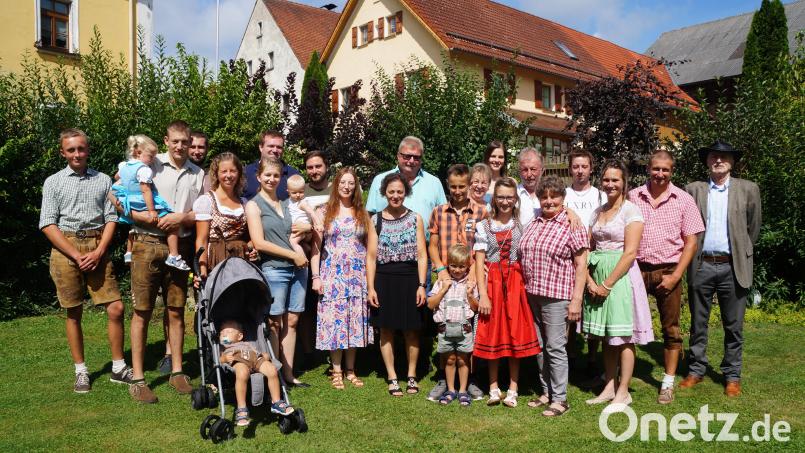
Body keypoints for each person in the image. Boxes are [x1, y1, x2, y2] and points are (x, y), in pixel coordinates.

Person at [39, 128, 132, 393]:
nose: (77, 154)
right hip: (65, 249)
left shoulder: (103, 180)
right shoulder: (53, 182)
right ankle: (81, 371)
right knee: (74, 311)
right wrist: (76, 255)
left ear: (88, 150)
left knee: (116, 308)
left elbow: (111, 218)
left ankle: (118, 367)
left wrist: (99, 251)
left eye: (81, 148)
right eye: (71, 150)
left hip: (97, 245)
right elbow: (47, 223)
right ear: (63, 153)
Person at [127, 120, 205, 403]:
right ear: (166, 141)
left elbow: (201, 212)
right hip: (147, 242)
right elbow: (120, 196)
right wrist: (144, 218)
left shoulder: (198, 173)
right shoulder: (150, 164)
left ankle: (177, 372)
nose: (180, 146)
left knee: (176, 309)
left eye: (185, 142)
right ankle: (138, 379)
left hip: (179, 247)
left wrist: (180, 218)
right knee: (142, 311)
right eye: (175, 141)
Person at [681, 141, 761, 397]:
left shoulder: (748, 189)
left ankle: (732, 376)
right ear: (707, 161)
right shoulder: (693, 189)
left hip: (733, 266)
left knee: (734, 326)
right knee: (698, 322)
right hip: (701, 264)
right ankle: (696, 370)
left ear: (732, 162)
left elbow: (753, 229)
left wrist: (741, 250)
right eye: (714, 156)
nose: (718, 160)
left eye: (724, 157)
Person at [628, 149, 704, 404]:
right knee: (625, 325)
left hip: (669, 270)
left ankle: (668, 383)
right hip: (637, 269)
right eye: (656, 168)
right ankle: (620, 376)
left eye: (665, 170)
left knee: (671, 329)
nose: (660, 174)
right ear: (648, 169)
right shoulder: (633, 196)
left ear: (672, 171)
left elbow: (691, 242)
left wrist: (676, 276)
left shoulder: (684, 200)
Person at [583, 160, 654, 412]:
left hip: (621, 278)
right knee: (607, 335)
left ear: (624, 183)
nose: (610, 184)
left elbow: (630, 252)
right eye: (606, 179)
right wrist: (590, 280)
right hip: (598, 275)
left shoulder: (631, 211)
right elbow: (588, 247)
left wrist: (607, 284)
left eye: (615, 180)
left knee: (623, 336)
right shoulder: (597, 212)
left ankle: (624, 391)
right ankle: (609, 386)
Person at [520, 176, 589, 417]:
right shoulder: (534, 221)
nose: (549, 201)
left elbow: (581, 265)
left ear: (563, 198)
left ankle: (560, 399)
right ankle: (546, 392)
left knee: (555, 347)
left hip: (557, 296)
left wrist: (576, 300)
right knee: (539, 346)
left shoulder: (572, 224)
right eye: (544, 196)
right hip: (533, 294)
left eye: (554, 196)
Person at [474, 177, 541, 408]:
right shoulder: (483, 226)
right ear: (494, 199)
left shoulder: (522, 225)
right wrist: (483, 294)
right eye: (501, 197)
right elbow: (479, 262)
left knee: (514, 333)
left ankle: (513, 388)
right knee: (493, 332)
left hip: (515, 284)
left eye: (509, 197)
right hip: (492, 283)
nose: (505, 201)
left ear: (515, 199)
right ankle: (493, 387)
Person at [245, 158, 309, 388]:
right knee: (274, 323)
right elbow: (259, 242)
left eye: (276, 175)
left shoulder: (286, 203)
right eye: (267, 175)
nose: (272, 179)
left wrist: (307, 227)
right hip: (274, 269)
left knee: (292, 321)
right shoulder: (254, 205)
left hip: (298, 270)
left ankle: (289, 374)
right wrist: (293, 255)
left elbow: (299, 228)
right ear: (258, 177)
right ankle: (275, 375)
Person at [311, 167, 377, 390]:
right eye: (343, 183)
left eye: (351, 183)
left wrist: (370, 281)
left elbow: (370, 249)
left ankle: (350, 370)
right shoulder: (324, 211)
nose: (347, 187)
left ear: (356, 186)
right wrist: (316, 276)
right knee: (334, 321)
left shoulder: (362, 213)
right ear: (336, 185)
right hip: (332, 275)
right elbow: (316, 248)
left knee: (353, 321)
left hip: (356, 276)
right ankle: (336, 370)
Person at [427, 163, 487, 401]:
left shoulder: (481, 212)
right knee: (445, 328)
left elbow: (484, 248)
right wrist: (441, 270)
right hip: (446, 277)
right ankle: (445, 378)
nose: (458, 191)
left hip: (470, 279)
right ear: (448, 185)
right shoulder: (439, 212)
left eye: (462, 186)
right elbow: (433, 245)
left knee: (467, 330)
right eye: (453, 186)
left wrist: (475, 275)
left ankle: (469, 380)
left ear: (469, 185)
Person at [369, 173, 428, 397]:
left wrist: (421, 285)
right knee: (386, 330)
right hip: (384, 278)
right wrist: (371, 287)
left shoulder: (416, 219)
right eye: (391, 191)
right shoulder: (375, 220)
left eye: (400, 192)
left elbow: (422, 255)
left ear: (406, 193)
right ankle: (392, 377)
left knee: (412, 330)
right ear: (385, 193)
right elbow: (371, 257)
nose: (395, 196)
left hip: (410, 278)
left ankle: (411, 375)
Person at [112, 134, 190, 271]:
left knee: (133, 226)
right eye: (151, 156)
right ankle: (174, 255)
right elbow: (146, 190)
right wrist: (152, 210)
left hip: (127, 199)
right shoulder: (143, 169)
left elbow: (117, 177)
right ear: (138, 153)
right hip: (141, 201)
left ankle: (128, 252)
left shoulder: (124, 165)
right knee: (172, 224)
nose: (153, 159)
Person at [563, 149, 606, 374]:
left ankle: (592, 357)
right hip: (569, 258)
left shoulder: (600, 196)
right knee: (569, 308)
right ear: (570, 169)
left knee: (594, 308)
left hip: (595, 256)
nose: (580, 171)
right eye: (576, 166)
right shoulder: (564, 194)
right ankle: (569, 355)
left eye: (584, 167)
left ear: (591, 169)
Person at [427, 244, 479, 406]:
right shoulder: (441, 282)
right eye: (453, 266)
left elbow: (475, 308)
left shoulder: (470, 283)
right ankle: (450, 389)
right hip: (445, 329)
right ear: (448, 264)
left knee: (463, 360)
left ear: (468, 266)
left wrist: (470, 295)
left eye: (461, 266)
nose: (457, 270)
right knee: (449, 359)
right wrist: (443, 289)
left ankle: (463, 390)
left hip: (464, 329)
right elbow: (430, 304)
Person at [218, 320, 294, 427]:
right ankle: (242, 408)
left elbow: (256, 352)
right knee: (242, 373)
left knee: (272, 369)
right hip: (238, 360)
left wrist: (264, 355)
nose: (224, 334)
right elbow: (219, 360)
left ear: (240, 336)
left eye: (228, 331)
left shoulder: (247, 344)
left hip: (255, 359)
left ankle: (276, 402)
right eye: (222, 332)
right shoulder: (224, 348)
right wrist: (224, 358)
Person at [193, 152, 257, 279]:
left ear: (239, 174)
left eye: (233, 171)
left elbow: (249, 237)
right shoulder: (207, 201)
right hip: (216, 258)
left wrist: (250, 248)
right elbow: (202, 239)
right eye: (224, 171)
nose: (229, 175)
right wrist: (202, 269)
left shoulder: (244, 202)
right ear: (216, 174)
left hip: (241, 260)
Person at [366, 136, 446, 231]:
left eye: (416, 157)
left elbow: (443, 216)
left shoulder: (434, 183)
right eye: (407, 156)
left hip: (425, 240)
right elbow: (369, 215)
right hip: (383, 240)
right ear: (398, 156)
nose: (411, 161)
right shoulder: (379, 180)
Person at [243, 130, 300, 200]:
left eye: (279, 147)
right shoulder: (245, 173)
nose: (275, 150)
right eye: (271, 146)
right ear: (261, 147)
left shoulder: (293, 174)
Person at [286, 174, 324, 257]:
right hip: (298, 229)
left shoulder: (302, 203)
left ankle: (303, 260)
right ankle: (307, 250)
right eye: (294, 193)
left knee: (292, 242)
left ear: (304, 190)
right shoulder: (289, 201)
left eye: (301, 192)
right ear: (288, 191)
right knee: (302, 245)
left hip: (303, 229)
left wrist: (319, 224)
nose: (298, 195)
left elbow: (312, 213)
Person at [516, 147, 544, 225]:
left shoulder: (550, 195)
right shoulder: (514, 194)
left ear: (542, 170)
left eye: (533, 169)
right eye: (525, 170)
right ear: (519, 172)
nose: (529, 174)